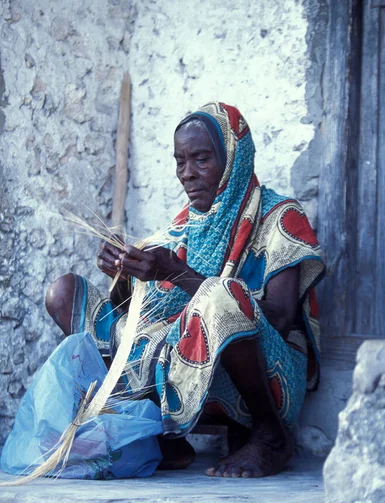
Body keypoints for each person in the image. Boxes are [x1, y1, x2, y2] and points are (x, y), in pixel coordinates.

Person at [45, 102, 325, 478]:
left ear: (232, 158)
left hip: (265, 368)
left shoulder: (280, 216)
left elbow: (278, 317)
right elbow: (149, 308)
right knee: (65, 293)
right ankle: (166, 440)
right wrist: (124, 273)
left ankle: (271, 435)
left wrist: (176, 272)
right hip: (178, 358)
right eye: (180, 162)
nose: (187, 174)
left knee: (221, 297)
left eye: (201, 159)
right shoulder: (182, 226)